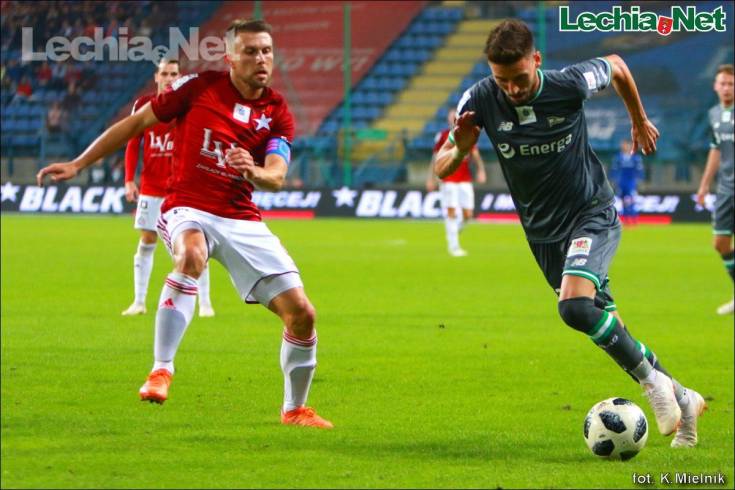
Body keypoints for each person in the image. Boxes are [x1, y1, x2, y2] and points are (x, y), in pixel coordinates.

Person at [37, 19, 332, 429]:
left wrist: (254, 171)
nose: (261, 59)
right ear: (230, 57)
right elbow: (136, 124)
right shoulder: (198, 87)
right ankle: (161, 369)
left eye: (266, 51)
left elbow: (277, 176)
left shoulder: (277, 110)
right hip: (187, 206)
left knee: (302, 313)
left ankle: (295, 410)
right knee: (191, 254)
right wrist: (79, 163)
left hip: (240, 216)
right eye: (250, 51)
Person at [434, 19, 704, 447]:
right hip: (542, 233)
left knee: (574, 307)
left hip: (590, 212)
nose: (512, 89)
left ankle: (654, 384)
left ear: (537, 61)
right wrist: (463, 147)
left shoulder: (569, 84)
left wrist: (638, 119)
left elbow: (617, 65)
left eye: (520, 78)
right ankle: (685, 399)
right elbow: (441, 166)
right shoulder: (479, 99)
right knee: (609, 328)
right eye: (503, 80)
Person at [122, 58, 215, 318]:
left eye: (174, 74)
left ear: (179, 76)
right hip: (151, 188)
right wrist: (129, 179)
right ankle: (139, 302)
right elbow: (133, 142)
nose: (169, 78)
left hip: (182, 190)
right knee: (147, 240)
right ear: (156, 77)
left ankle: (205, 303)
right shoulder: (143, 105)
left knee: (193, 244)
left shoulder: (187, 105)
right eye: (164, 74)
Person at [696, 64, 734, 316]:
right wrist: (704, 184)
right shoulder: (713, 114)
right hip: (725, 189)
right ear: (715, 86)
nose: (727, 88)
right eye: (723, 83)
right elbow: (716, 149)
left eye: (731, 84)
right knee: (720, 243)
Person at [426, 108, 486, 256]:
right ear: (448, 119)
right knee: (451, 211)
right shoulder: (443, 136)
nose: (453, 118)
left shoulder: (467, 133)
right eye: (451, 116)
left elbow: (475, 154)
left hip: (464, 178)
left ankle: (453, 234)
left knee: (468, 215)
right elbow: (435, 158)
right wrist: (431, 177)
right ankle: (453, 246)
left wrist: (481, 170)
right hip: (448, 178)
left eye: (455, 116)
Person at [609, 139, 644, 226]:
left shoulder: (636, 157)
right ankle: (624, 220)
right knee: (621, 201)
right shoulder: (617, 157)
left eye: (626, 145)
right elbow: (613, 170)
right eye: (623, 145)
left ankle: (633, 219)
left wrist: (639, 181)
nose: (625, 146)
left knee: (630, 200)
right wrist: (613, 181)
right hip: (621, 182)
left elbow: (639, 170)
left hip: (631, 182)